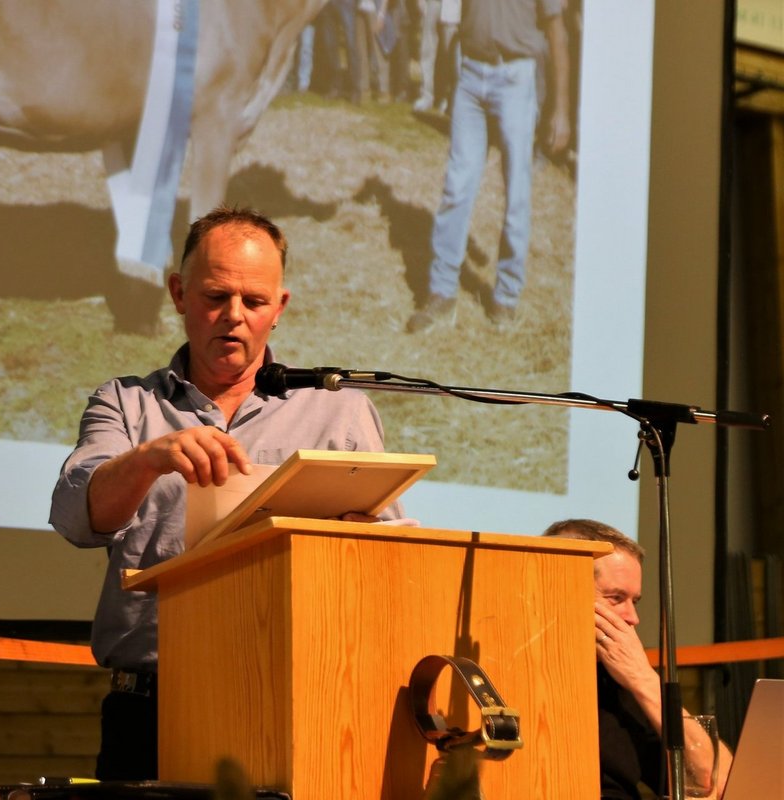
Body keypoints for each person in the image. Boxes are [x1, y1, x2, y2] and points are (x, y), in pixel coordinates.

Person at [50, 206, 409, 780]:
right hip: (151, 711)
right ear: (178, 293)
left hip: (295, 700)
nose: (234, 316)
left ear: (280, 307)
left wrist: (364, 544)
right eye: (216, 296)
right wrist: (150, 458)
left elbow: (390, 565)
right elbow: (75, 517)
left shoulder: (338, 412)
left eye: (255, 301)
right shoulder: (126, 404)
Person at [407, 0, 571, 333]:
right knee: (457, 186)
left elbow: (558, 33)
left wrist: (562, 110)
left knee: (516, 193)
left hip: (515, 78)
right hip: (470, 76)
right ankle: (442, 292)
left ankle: (506, 296)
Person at [543, 519, 733, 799]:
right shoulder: (524, 671)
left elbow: (717, 780)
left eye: (635, 601)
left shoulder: (618, 676)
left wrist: (643, 680)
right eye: (616, 598)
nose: (633, 617)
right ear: (563, 589)